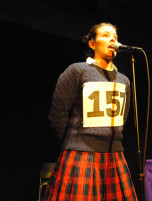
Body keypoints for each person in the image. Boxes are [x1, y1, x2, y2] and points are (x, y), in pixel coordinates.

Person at [44, 22, 138, 201]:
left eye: (115, 37)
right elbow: (57, 115)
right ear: (92, 43)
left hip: (114, 156)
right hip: (80, 155)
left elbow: (122, 118)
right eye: (105, 35)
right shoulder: (77, 71)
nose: (112, 39)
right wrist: (74, 143)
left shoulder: (123, 80)